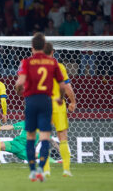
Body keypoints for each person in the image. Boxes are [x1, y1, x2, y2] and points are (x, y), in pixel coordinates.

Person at [15, 32, 65, 182]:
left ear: (32, 47)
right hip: (46, 101)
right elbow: (62, 86)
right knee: (44, 137)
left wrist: (20, 93)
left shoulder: (27, 62)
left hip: (31, 101)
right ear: (44, 46)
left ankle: (32, 171)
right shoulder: (52, 62)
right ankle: (41, 170)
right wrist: (60, 99)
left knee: (30, 137)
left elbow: (19, 83)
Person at [42, 42, 76, 177]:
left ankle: (46, 170)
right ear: (53, 52)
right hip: (58, 104)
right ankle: (66, 170)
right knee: (63, 137)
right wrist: (72, 101)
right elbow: (67, 87)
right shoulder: (59, 67)